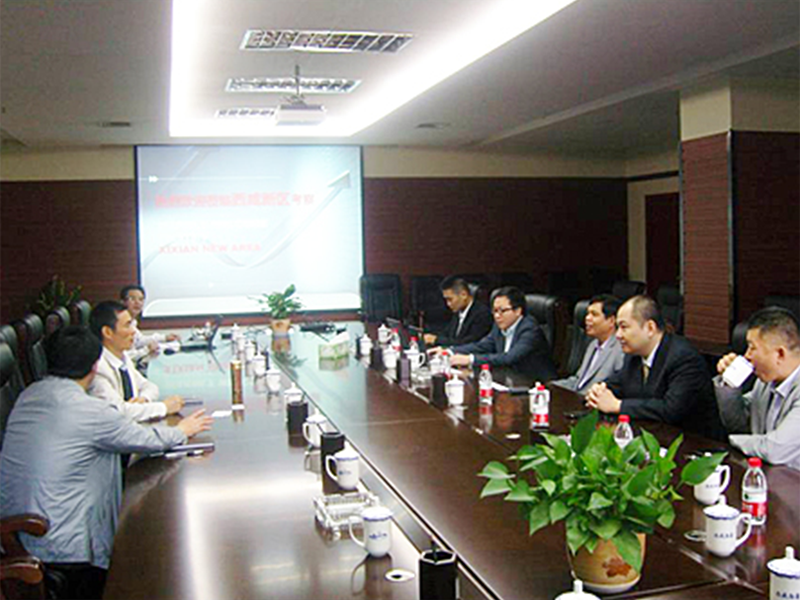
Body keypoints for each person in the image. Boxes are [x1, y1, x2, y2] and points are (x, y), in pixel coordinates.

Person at [0, 326, 213, 599]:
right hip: (61, 545)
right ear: (94, 365)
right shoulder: (87, 410)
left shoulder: (28, 395)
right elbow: (145, 440)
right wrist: (182, 430)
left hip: (22, 532)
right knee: (149, 548)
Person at [586, 295, 724, 440]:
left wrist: (618, 405)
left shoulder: (683, 358)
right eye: (618, 328)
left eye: (624, 327)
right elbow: (618, 383)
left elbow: (670, 410)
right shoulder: (633, 356)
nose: (618, 335)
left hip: (696, 444)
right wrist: (599, 391)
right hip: (652, 438)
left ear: (650, 328)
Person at [715, 307, 800, 469]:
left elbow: (774, 450)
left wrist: (731, 440)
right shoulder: (764, 382)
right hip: (765, 473)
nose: (747, 355)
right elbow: (738, 423)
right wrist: (729, 384)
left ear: (780, 354)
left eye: (752, 347)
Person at [88, 301, 184, 421]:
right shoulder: (97, 368)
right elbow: (118, 412)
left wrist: (143, 399)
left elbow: (149, 386)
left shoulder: (122, 357)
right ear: (108, 332)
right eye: (127, 325)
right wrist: (164, 407)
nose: (133, 331)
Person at [437, 286, 557, 378]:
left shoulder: (530, 330)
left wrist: (470, 359)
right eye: (494, 311)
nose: (497, 316)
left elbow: (509, 357)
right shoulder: (499, 325)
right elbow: (482, 346)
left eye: (502, 311)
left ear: (518, 311)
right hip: (507, 378)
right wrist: (450, 351)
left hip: (536, 383)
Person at [552, 294, 624, 394]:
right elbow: (578, 381)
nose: (587, 318)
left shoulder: (620, 350)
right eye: (587, 314)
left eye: (594, 314)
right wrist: (549, 387)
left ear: (611, 321)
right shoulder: (593, 345)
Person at [423, 276, 492, 347]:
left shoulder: (482, 314)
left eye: (450, 299)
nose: (448, 304)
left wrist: (436, 340)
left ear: (463, 295)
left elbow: (469, 343)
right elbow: (447, 334)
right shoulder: (458, 312)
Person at [120, 285, 180, 360]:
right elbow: (124, 356)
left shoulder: (133, 322)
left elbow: (139, 340)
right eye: (132, 299)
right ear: (123, 302)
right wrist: (146, 350)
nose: (137, 303)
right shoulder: (119, 324)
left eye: (141, 299)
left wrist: (164, 338)